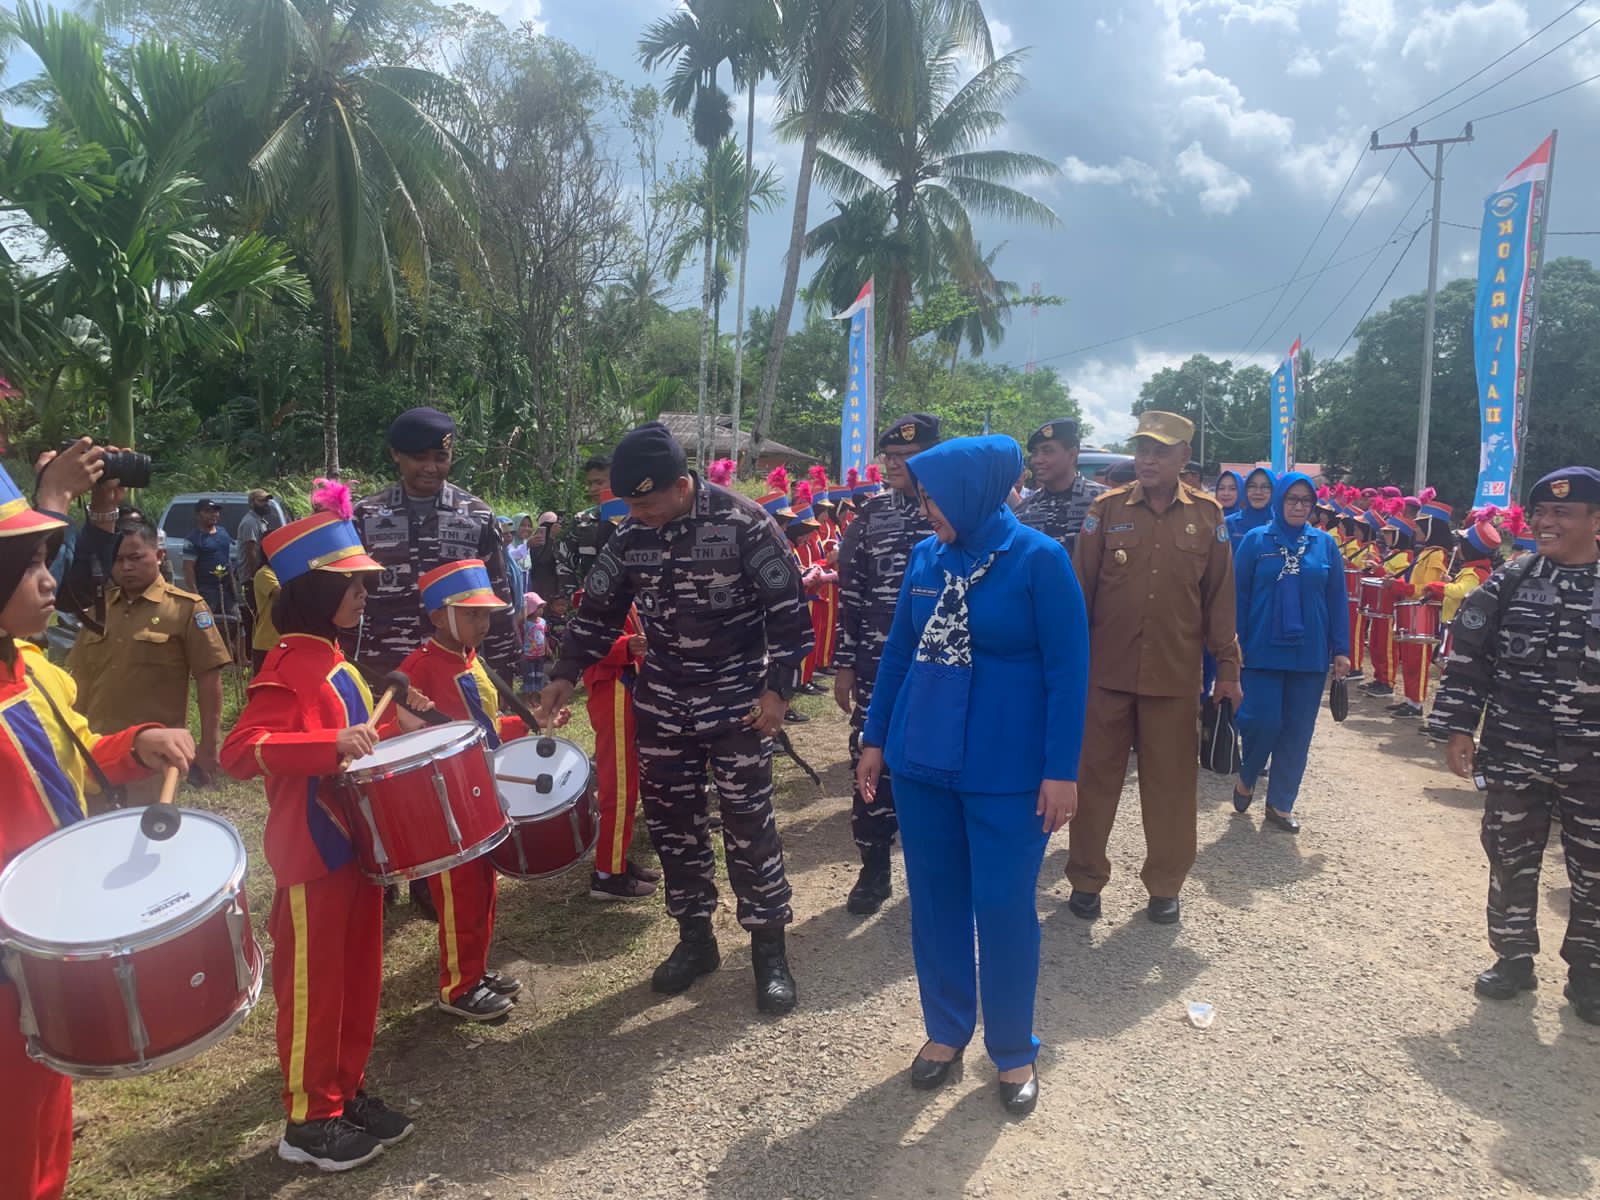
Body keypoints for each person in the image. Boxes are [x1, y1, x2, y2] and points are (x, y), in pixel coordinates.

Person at [535, 422, 813, 1014]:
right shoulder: (631, 533)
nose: (638, 515)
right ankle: (695, 939)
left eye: (647, 503)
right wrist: (563, 674)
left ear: (682, 486)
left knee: (748, 822)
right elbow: (598, 612)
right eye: (630, 505)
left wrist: (779, 693)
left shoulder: (743, 523)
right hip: (663, 701)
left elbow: (790, 612)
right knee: (672, 824)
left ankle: (769, 950)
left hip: (738, 701)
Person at [857, 435, 1088, 1117]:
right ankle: (946, 1029)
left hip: (1007, 769)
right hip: (923, 759)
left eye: (935, 498)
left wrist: (1061, 770)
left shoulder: (1039, 560)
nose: (925, 509)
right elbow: (899, 653)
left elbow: (1069, 671)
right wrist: (875, 737)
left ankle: (1013, 1048)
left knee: (1004, 906)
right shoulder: (927, 557)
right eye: (922, 496)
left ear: (974, 492)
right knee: (935, 901)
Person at [0, 463, 195, 1200]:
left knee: (45, 1108)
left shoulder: (34, 669)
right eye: (29, 568)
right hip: (10, 941)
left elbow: (76, 756)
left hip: (49, 934)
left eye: (45, 561)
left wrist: (138, 741)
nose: (50, 581)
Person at [221, 512, 428, 1171]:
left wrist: (399, 728)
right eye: (353, 585)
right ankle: (308, 1122)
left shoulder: (335, 662)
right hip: (314, 853)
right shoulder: (288, 667)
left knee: (358, 980)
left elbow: (354, 740)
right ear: (316, 590)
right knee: (315, 990)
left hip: (357, 851)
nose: (364, 595)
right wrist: (327, 743)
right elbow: (240, 751)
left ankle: (343, 1091)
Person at [1430, 467, 1600, 1024]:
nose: (1546, 523)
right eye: (1541, 513)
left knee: (1594, 868)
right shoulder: (1511, 579)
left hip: (1593, 762)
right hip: (1515, 750)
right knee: (1509, 854)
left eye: (1561, 513)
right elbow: (1469, 656)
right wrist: (1459, 727)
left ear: (1595, 520)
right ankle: (1513, 956)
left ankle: (1590, 973)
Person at [1067, 411, 1241, 924]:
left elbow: (1220, 599)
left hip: (1174, 676)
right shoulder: (1106, 510)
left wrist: (1228, 669)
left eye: (1160, 451)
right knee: (1094, 781)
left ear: (1184, 457)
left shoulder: (1207, 516)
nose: (1147, 459)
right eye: (1142, 449)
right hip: (1106, 675)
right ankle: (1086, 878)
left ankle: (1165, 886)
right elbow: (1079, 593)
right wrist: (1067, 668)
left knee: (1170, 788)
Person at [398, 560, 532, 1021]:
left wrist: (526, 723)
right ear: (439, 617)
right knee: (459, 893)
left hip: (477, 790)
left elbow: (484, 726)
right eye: (471, 614)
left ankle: (474, 969)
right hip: (445, 800)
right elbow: (392, 730)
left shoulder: (471, 660)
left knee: (483, 887)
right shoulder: (418, 667)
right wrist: (406, 721)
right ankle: (457, 987)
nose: (483, 623)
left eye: (486, 614)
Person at [834, 413, 941, 914]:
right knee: (870, 759)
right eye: (889, 457)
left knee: (936, 763)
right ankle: (874, 869)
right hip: (878, 666)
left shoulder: (955, 512)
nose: (894, 464)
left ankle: (933, 871)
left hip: (943, 666)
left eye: (906, 457)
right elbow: (850, 596)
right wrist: (845, 664)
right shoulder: (871, 515)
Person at [349, 406, 518, 680]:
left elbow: (498, 598)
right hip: (384, 672)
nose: (430, 468)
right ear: (396, 454)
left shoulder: (477, 516)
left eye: (441, 458)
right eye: (419, 458)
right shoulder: (365, 516)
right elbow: (345, 598)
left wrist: (503, 676)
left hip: (456, 675)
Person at [66, 518, 231, 795]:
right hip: (98, 753)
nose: (126, 567)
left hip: (154, 759)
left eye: (135, 557)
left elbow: (208, 679)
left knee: (149, 821)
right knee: (94, 820)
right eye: (118, 560)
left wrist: (208, 745)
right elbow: (79, 681)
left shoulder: (185, 609)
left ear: (159, 555)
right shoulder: (98, 610)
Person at [1229, 473, 1351, 832]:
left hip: (1309, 653)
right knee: (1261, 722)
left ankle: (1281, 804)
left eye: (1306, 501)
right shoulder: (1256, 540)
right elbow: (1238, 596)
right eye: (1292, 499)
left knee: (1297, 732)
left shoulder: (1324, 543)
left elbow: (1337, 599)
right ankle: (1248, 774)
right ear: (1280, 501)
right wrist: (1234, 643)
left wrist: (1341, 648)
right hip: (1261, 650)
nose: (1299, 506)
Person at [582, 602, 660, 900]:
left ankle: (616, 860)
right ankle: (608, 874)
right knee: (618, 786)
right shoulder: (602, 593)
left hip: (624, 688)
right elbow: (586, 643)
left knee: (627, 785)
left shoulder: (627, 595)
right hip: (613, 689)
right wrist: (627, 646)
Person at [1387, 500, 1452, 719]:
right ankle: (1409, 699)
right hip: (1413, 610)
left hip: (1423, 614)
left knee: (1418, 660)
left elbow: (1427, 588)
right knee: (1409, 658)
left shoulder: (1436, 555)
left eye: (1421, 527)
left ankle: (1416, 704)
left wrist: (1400, 587)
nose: (1416, 530)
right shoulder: (1426, 552)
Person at [1014, 419, 1107, 555]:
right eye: (1035, 453)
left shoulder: (1103, 502)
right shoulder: (1024, 509)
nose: (1037, 460)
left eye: (1047, 451)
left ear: (1072, 454)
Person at [555, 455, 617, 597]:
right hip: (593, 601)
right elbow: (564, 561)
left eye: (599, 482)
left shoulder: (637, 517)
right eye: (589, 483)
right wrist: (574, 596)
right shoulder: (582, 520)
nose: (592, 489)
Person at [183, 498, 236, 619]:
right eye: (208, 511)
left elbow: (227, 558)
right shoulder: (193, 539)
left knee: (235, 623)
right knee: (207, 625)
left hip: (226, 590)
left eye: (215, 511)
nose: (213, 514)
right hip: (206, 591)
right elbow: (188, 569)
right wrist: (196, 596)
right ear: (198, 515)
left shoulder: (223, 532)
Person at [1225, 467, 1275, 550]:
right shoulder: (1228, 523)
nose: (1258, 492)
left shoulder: (1280, 524)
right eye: (1252, 486)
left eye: (1265, 487)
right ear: (1245, 489)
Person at [521, 591, 548, 694]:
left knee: (538, 674)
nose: (541, 610)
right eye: (538, 607)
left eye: (542, 607)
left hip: (540, 654)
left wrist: (547, 647)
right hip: (528, 655)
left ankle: (536, 694)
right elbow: (522, 636)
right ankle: (528, 696)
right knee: (529, 675)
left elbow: (544, 635)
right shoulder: (525, 623)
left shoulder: (543, 622)